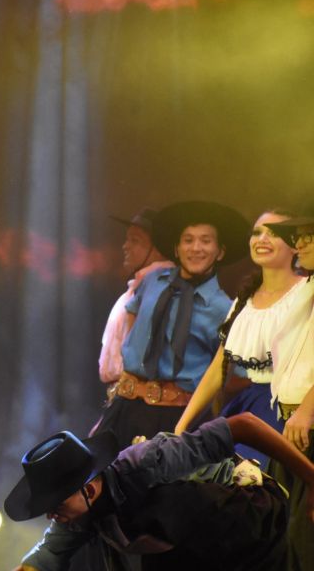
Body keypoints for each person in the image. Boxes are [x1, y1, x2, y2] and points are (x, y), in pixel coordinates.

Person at [7, 412, 314, 570]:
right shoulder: (77, 514)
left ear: (88, 488)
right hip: (193, 540)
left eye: (57, 506)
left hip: (247, 513)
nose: (51, 515)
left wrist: (312, 479)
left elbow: (245, 425)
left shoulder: (147, 462)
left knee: (159, 509)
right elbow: (50, 551)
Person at [92, 200, 249, 450]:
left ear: (220, 251)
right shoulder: (152, 281)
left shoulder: (224, 309)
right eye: (188, 240)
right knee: (100, 479)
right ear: (176, 248)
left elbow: (236, 376)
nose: (196, 248)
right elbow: (131, 332)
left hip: (178, 416)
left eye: (206, 241)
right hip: (125, 406)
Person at [175, 210, 309, 467]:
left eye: (274, 233)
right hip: (250, 406)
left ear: (294, 245)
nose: (262, 239)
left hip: (289, 411)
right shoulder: (245, 299)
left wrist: (304, 413)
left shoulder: (307, 291)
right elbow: (218, 370)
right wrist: (180, 428)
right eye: (257, 232)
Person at [258, 214, 314, 569]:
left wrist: (306, 411)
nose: (301, 243)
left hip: (306, 422)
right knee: (284, 534)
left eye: (310, 236)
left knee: (303, 536)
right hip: (292, 423)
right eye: (299, 236)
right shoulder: (306, 292)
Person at [99, 208, 173, 388]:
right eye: (127, 239)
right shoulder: (136, 289)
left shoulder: (162, 290)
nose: (125, 245)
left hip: (138, 395)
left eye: (135, 240)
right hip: (122, 393)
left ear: (157, 249)